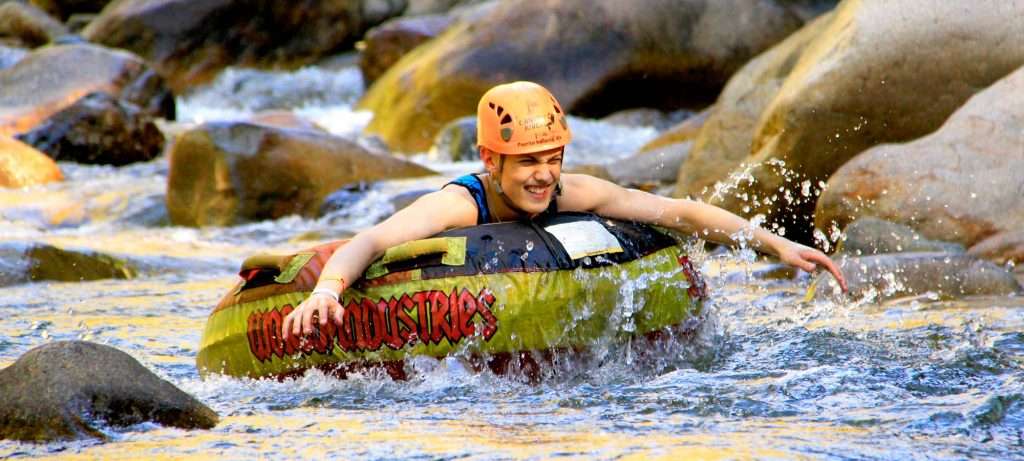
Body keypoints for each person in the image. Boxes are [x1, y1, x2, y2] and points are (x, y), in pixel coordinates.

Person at [282, 81, 847, 340]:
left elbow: (678, 211)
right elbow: (371, 242)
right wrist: (327, 291)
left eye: (552, 157)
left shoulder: (569, 192)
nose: (543, 174)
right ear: (490, 158)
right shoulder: (459, 203)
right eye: (526, 161)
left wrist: (773, 242)